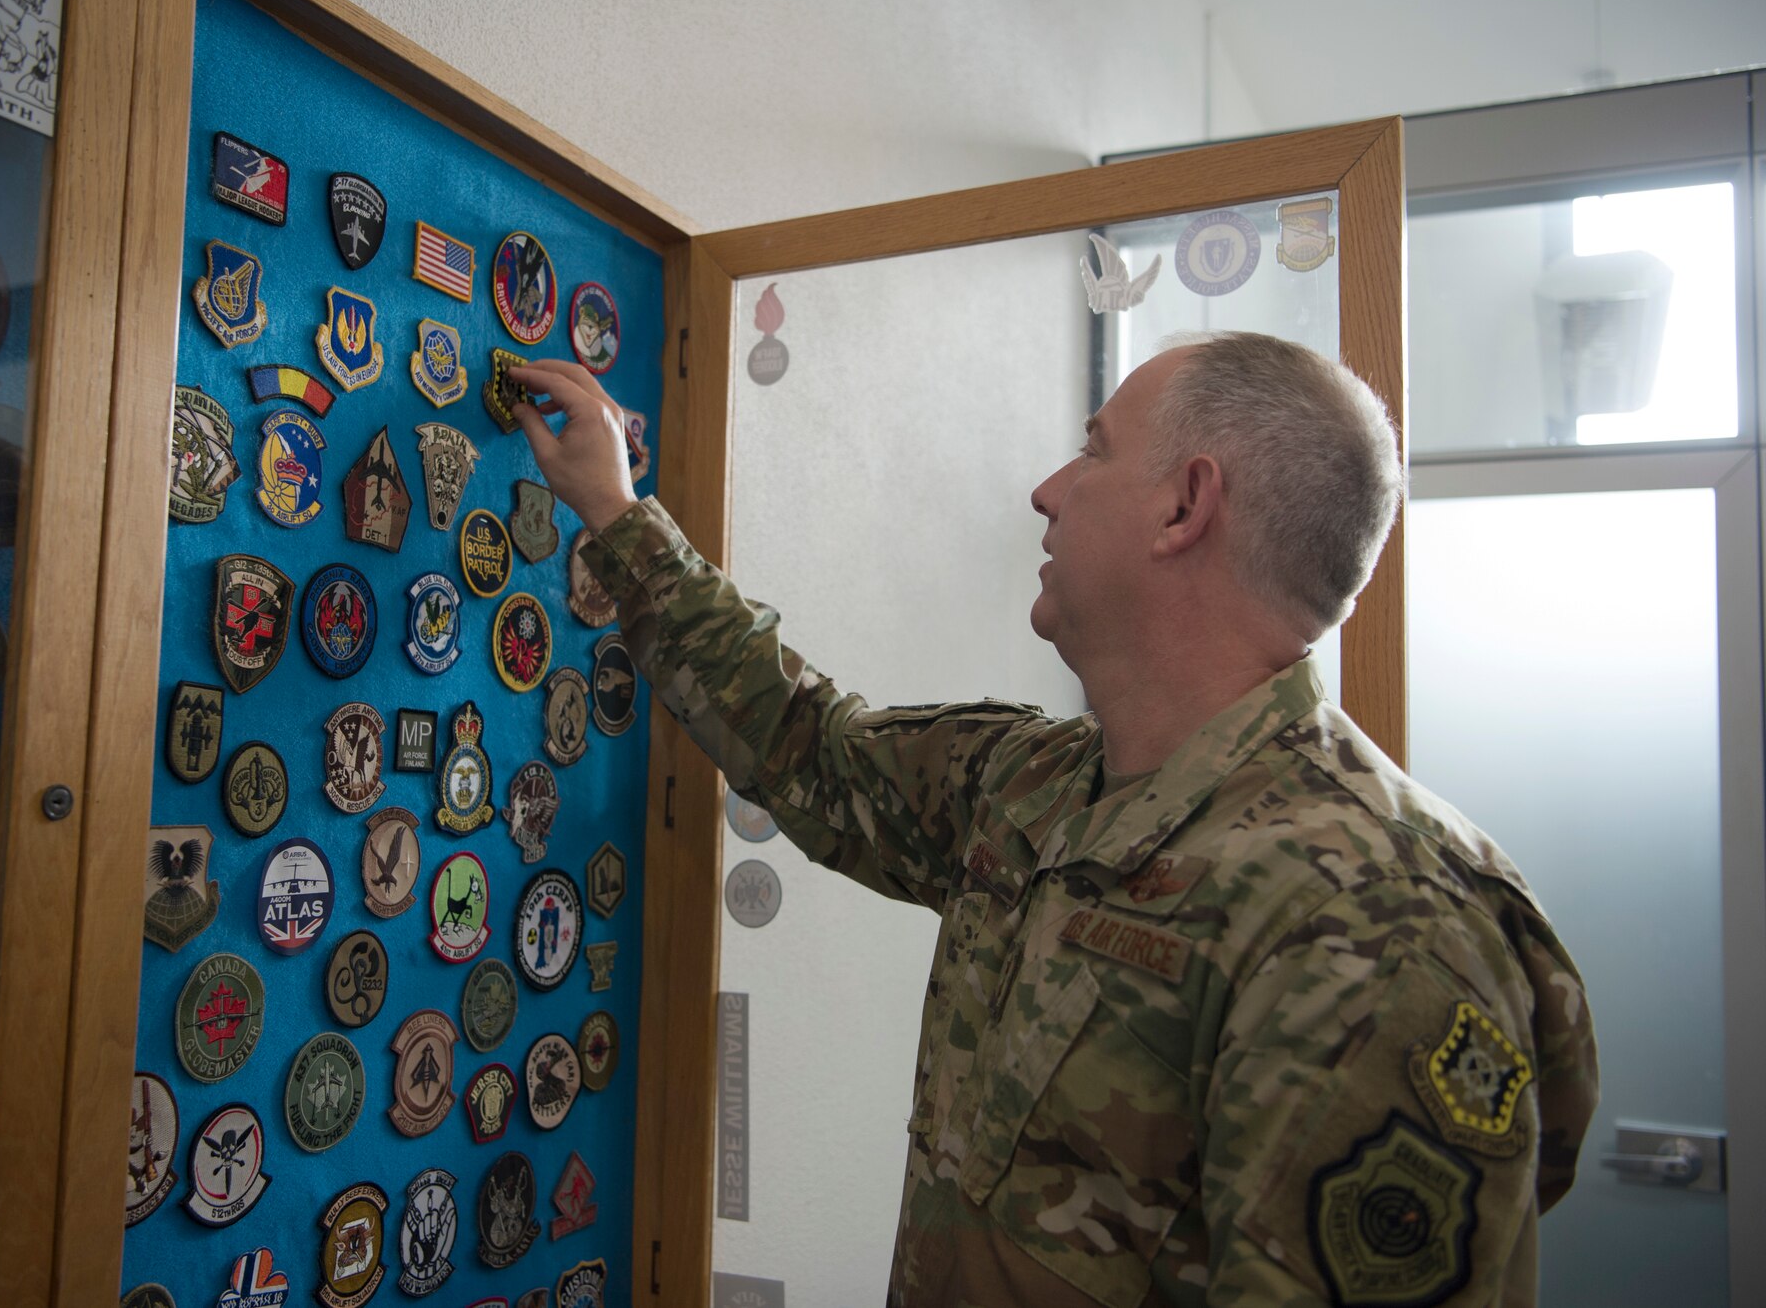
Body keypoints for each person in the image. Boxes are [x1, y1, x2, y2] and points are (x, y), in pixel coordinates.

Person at [510, 335, 1598, 1308]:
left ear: (1184, 505)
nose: (1044, 488)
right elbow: (809, 745)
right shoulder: (1033, 782)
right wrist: (616, 511)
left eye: (1091, 450)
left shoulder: (1377, 919)